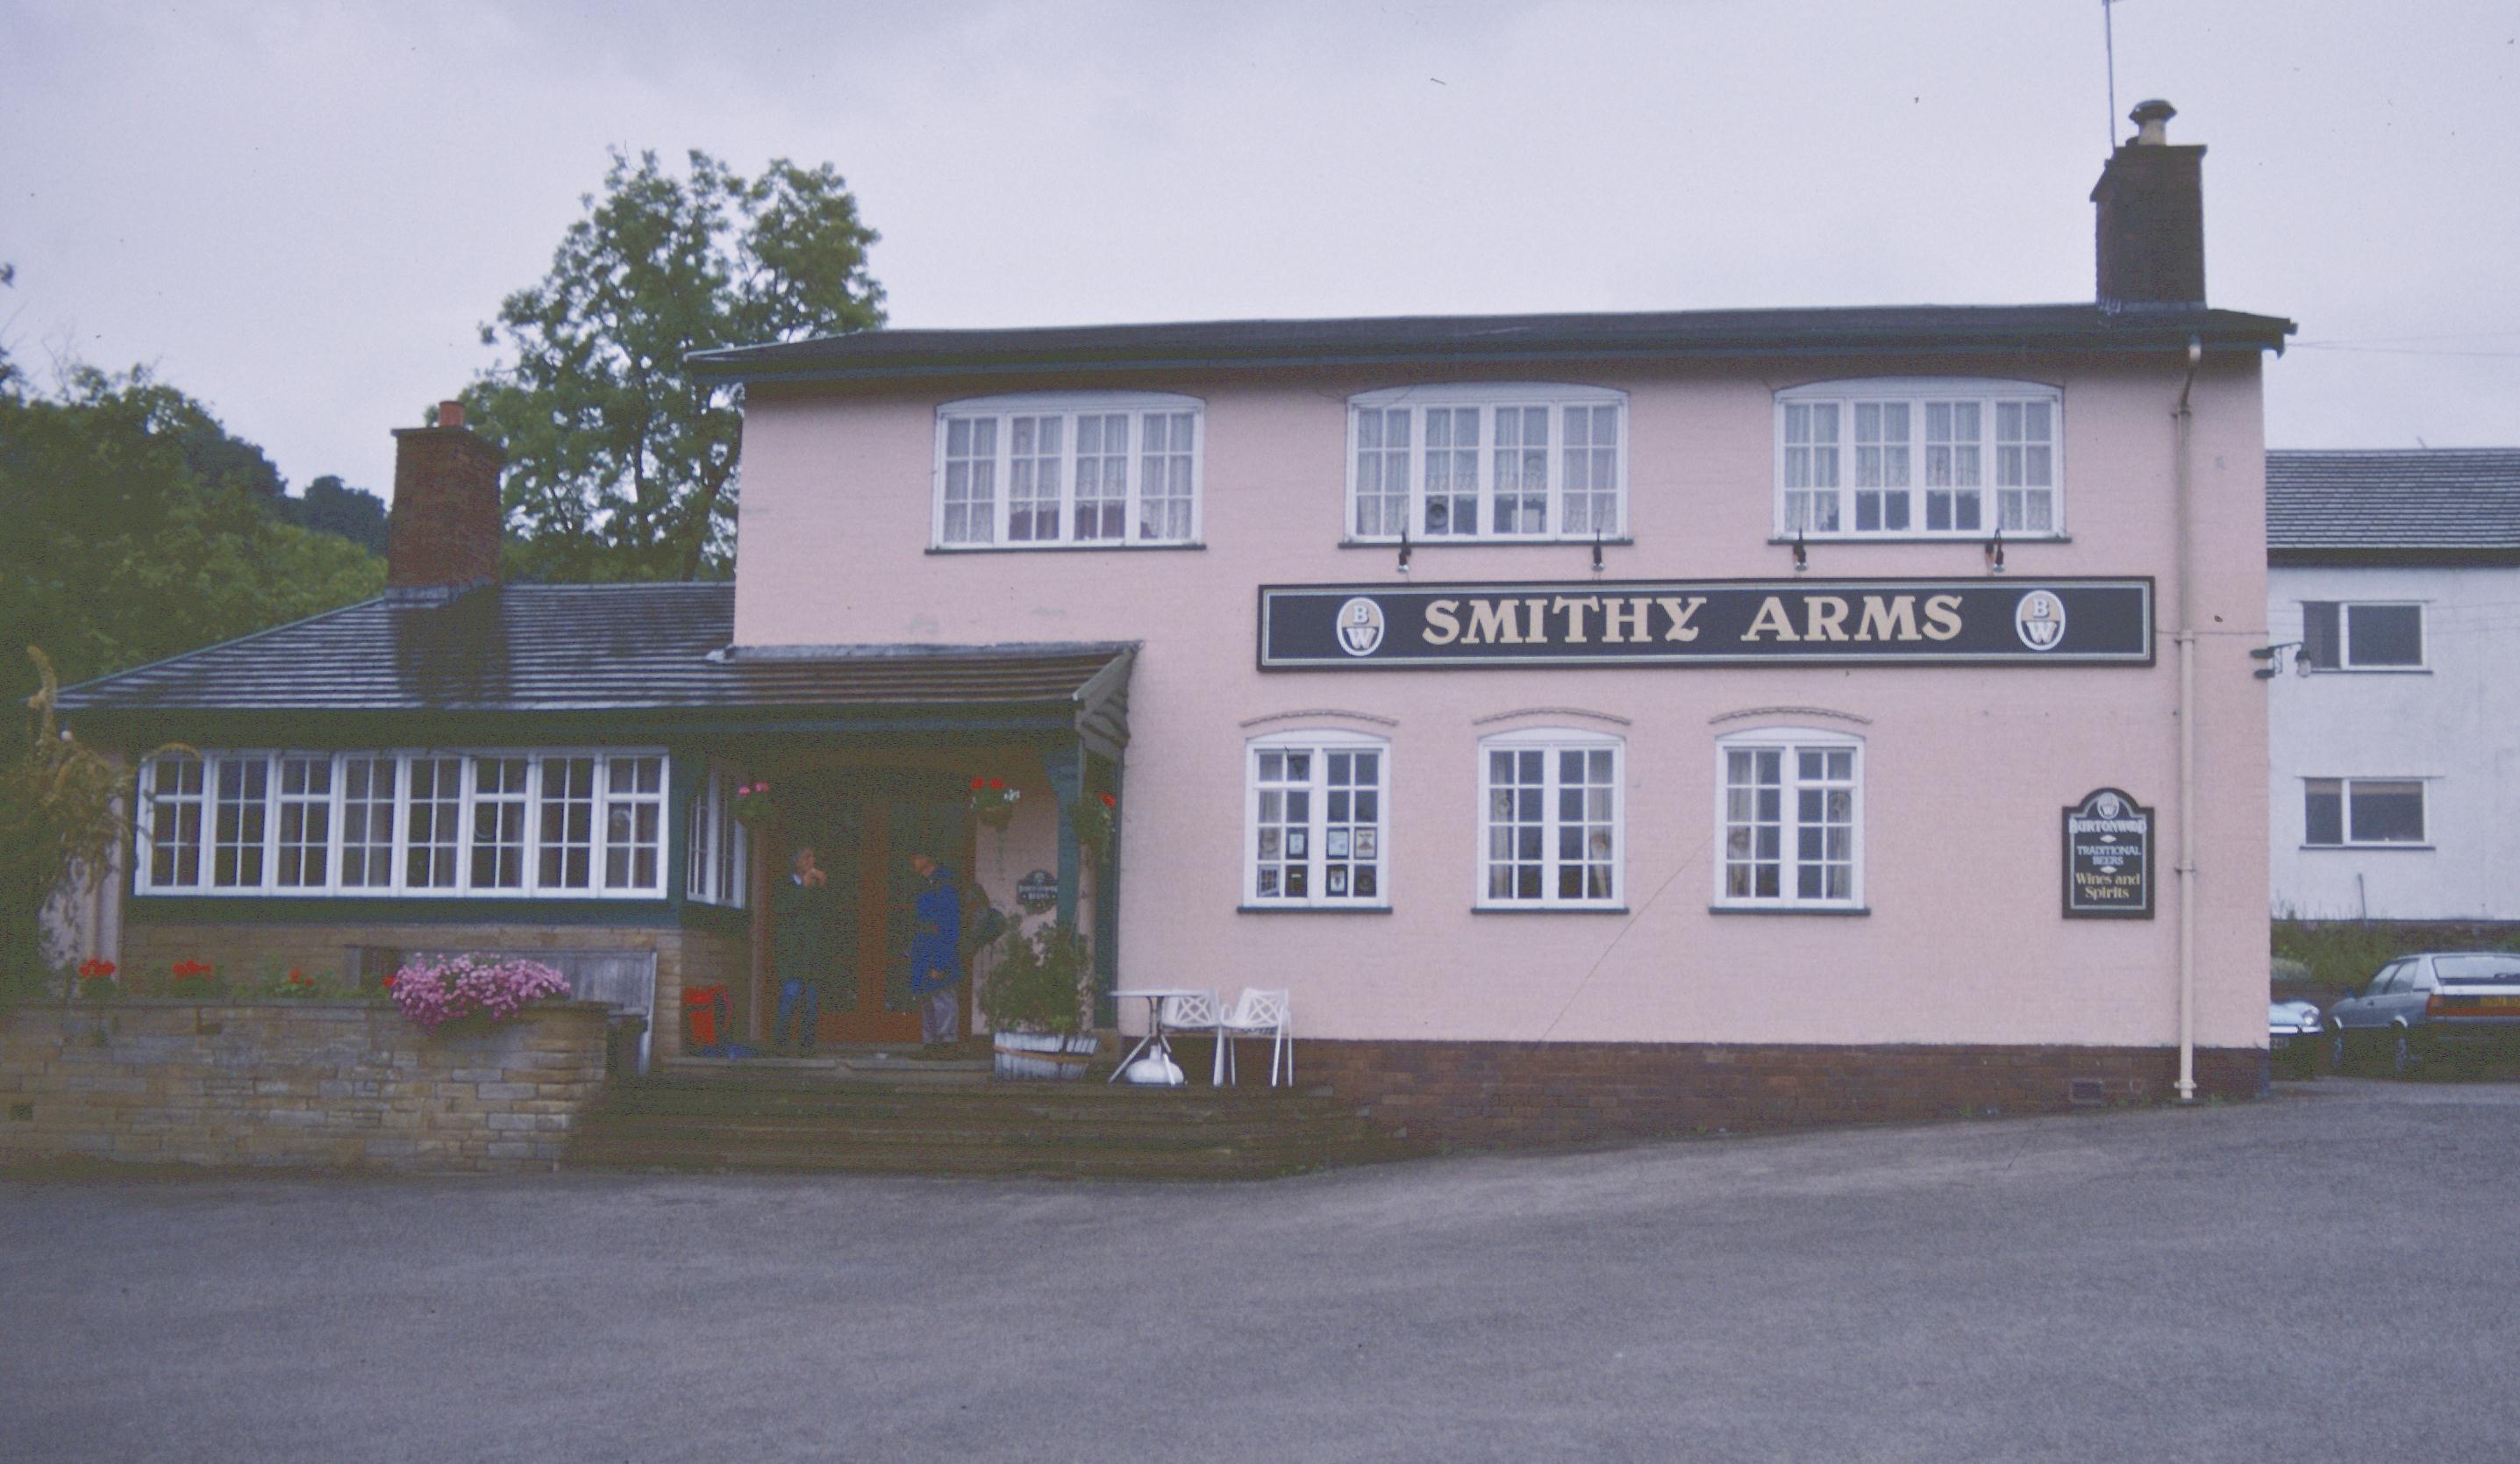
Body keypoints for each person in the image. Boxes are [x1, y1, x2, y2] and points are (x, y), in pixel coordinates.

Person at [770, 844, 838, 1056]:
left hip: (812, 953)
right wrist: (803, 889)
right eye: (807, 858)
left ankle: (806, 1046)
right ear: (797, 862)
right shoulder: (785, 885)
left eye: (813, 857)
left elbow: (828, 913)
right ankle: (780, 1045)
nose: (812, 862)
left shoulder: (817, 886)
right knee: (790, 997)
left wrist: (823, 887)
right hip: (792, 953)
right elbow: (785, 910)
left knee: (811, 1003)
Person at [907, 852, 964, 1054]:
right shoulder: (924, 884)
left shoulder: (945, 885)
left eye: (915, 857)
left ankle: (947, 1043)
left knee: (943, 997)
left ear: (927, 858)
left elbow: (950, 927)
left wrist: (941, 962)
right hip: (924, 948)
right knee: (927, 997)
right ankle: (931, 1044)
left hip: (939, 946)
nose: (912, 862)